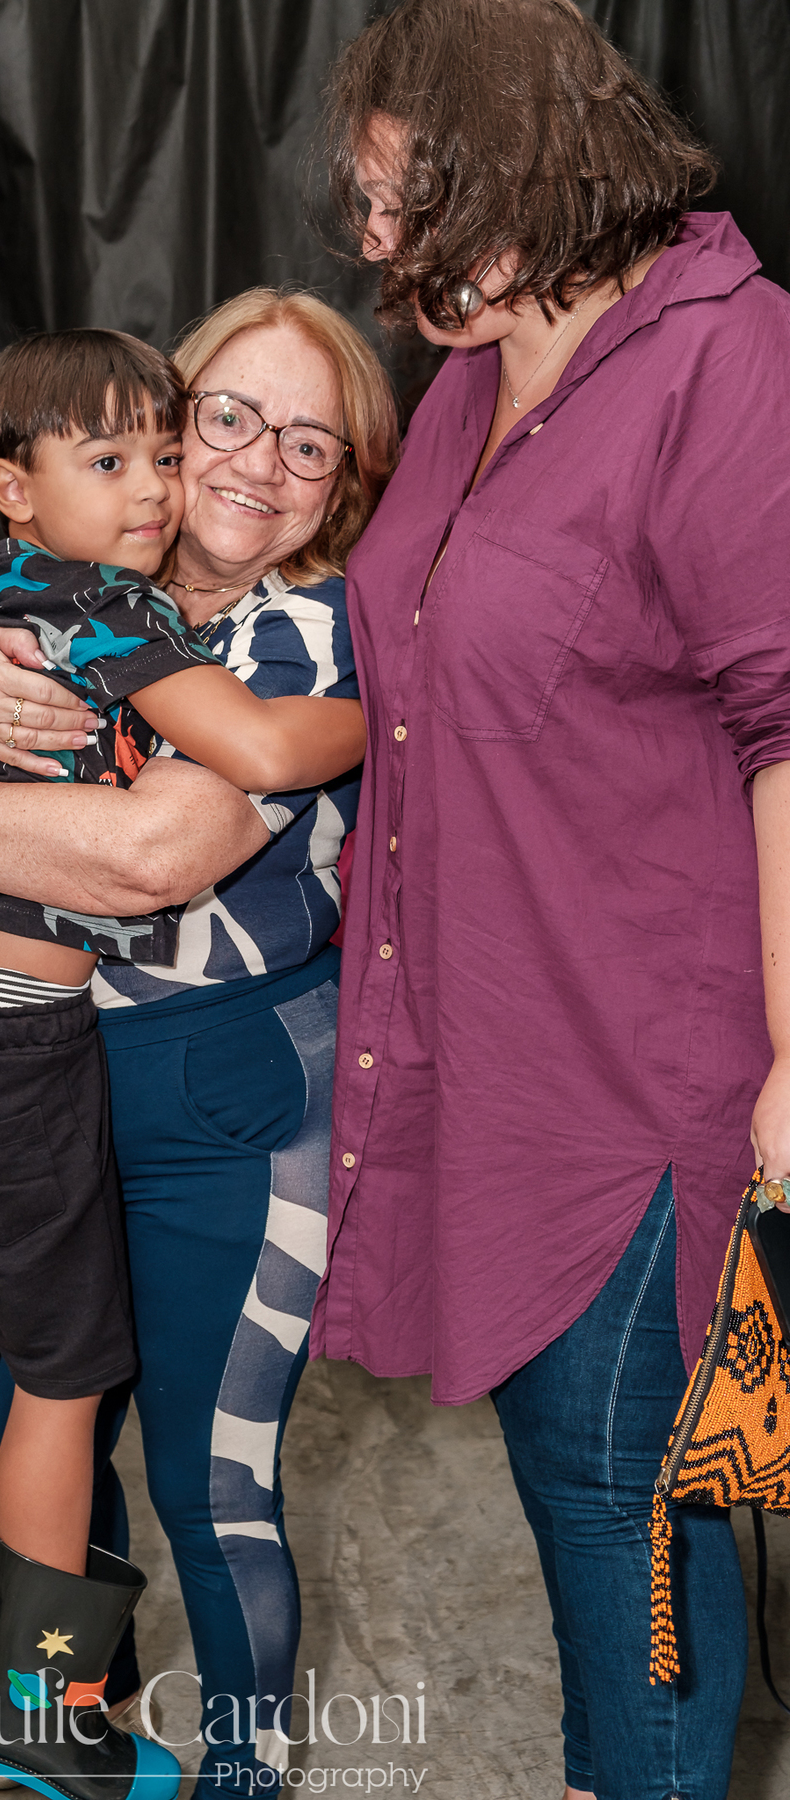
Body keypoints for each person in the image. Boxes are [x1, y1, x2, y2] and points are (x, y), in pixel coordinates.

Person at [310, 5, 790, 1799]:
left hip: (644, 1054)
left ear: (539, 164)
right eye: (366, 203)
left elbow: (789, 725)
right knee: (576, 1490)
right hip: (486, 1034)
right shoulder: (476, 367)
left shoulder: (726, 354)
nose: (380, 245)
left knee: (620, 1505)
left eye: (412, 201)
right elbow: (421, 669)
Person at [0, 326, 366, 1791]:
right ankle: (38, 1713)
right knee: (56, 1388)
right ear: (21, 480)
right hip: (14, 1047)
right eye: (208, 425)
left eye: (307, 444)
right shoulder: (108, 608)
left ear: (347, 480)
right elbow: (253, 751)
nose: (188, 477)